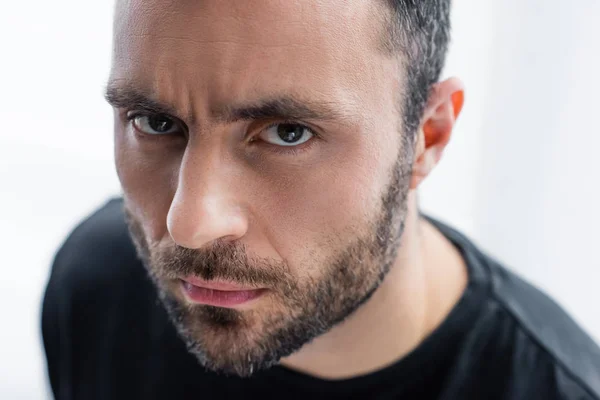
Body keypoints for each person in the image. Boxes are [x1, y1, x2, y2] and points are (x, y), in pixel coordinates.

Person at [41, 0, 600, 399]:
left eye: (287, 133)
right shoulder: (98, 288)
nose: (189, 224)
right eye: (155, 121)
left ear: (427, 138)